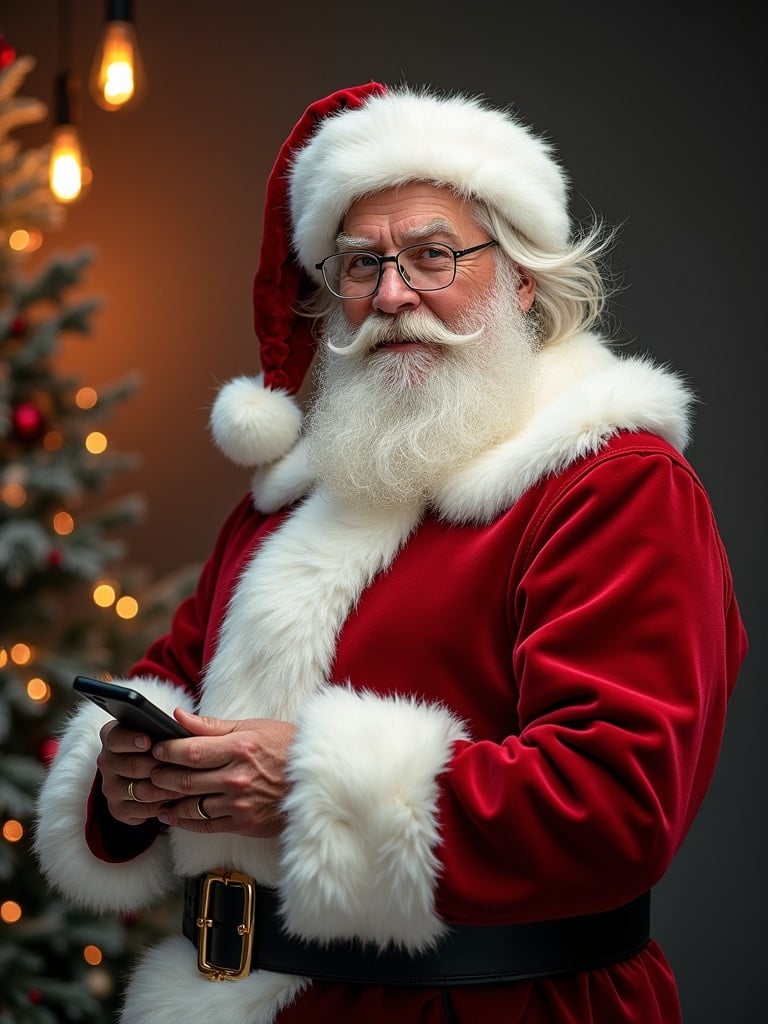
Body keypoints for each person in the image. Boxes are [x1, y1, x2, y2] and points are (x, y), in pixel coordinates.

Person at [35, 82, 747, 1024]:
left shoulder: (611, 485)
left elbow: (614, 803)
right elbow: (173, 674)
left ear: (523, 277)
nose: (392, 293)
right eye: (361, 265)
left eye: (432, 255)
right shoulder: (294, 497)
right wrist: (131, 776)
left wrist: (309, 783)